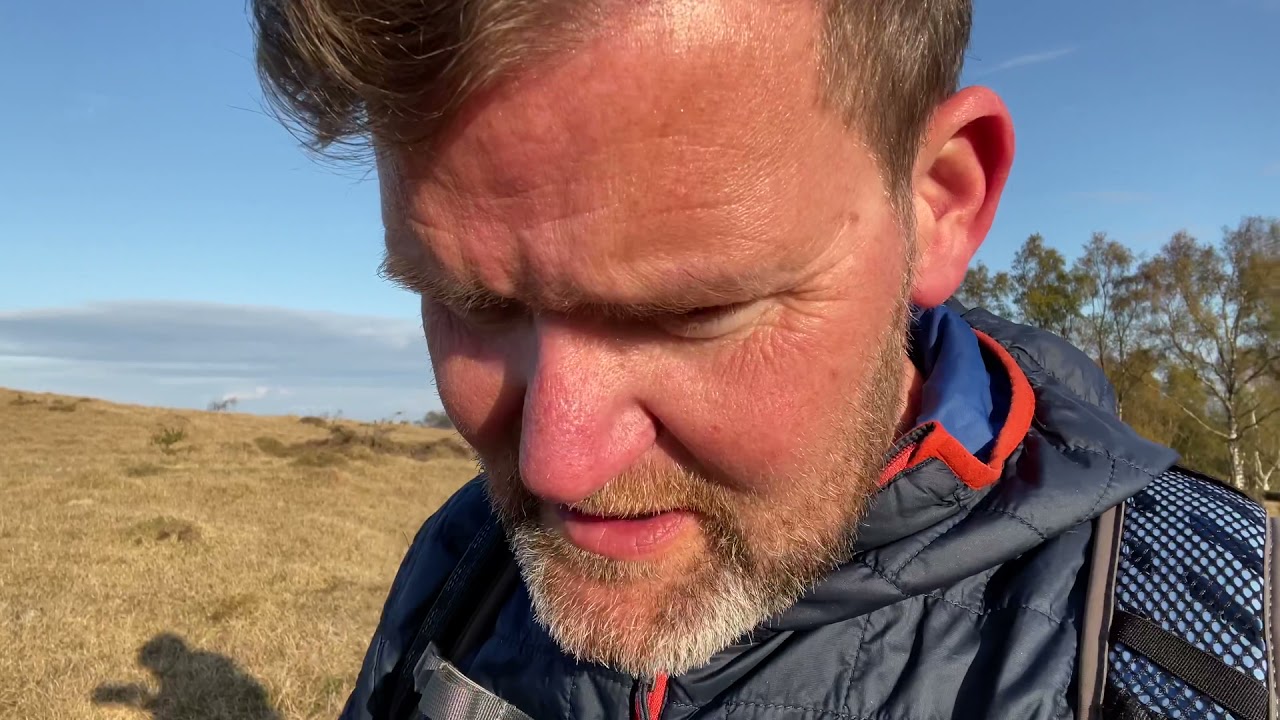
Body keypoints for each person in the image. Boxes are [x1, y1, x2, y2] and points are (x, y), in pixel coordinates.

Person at [250, 2, 1276, 719]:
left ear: (938, 204)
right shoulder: (462, 567)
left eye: (694, 310)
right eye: (472, 305)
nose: (556, 466)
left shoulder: (1215, 650)